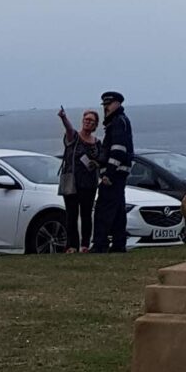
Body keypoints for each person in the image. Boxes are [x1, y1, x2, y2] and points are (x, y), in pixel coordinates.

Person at [92, 90, 134, 253]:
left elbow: (118, 150)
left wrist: (108, 173)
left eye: (108, 104)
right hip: (119, 173)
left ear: (117, 104)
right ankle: (118, 243)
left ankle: (100, 244)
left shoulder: (117, 122)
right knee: (117, 211)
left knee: (104, 209)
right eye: (105, 105)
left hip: (114, 175)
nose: (106, 108)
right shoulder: (119, 121)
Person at [56, 106, 100, 254]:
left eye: (91, 121)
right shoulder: (74, 137)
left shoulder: (97, 143)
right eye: (86, 119)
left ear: (95, 125)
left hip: (89, 184)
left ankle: (85, 245)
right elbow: (69, 130)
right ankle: (71, 245)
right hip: (72, 182)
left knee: (86, 215)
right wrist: (63, 118)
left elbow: (101, 160)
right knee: (71, 215)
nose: (88, 122)